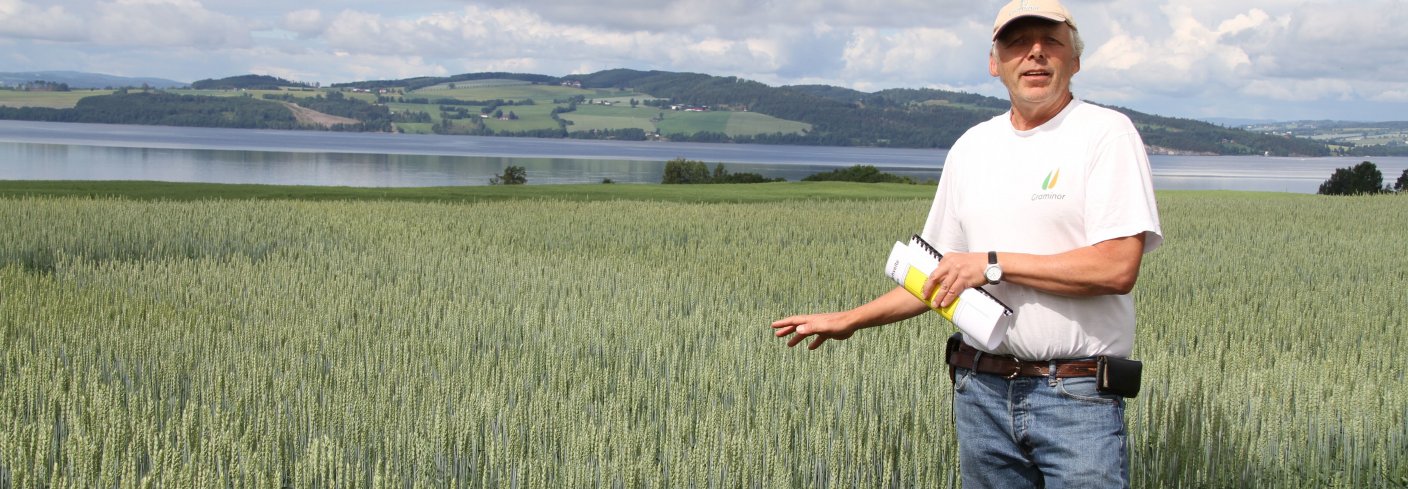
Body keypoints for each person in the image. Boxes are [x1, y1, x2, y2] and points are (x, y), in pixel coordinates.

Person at [770, 0, 1163, 486]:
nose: (1035, 54)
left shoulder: (1106, 133)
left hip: (1075, 397)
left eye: (1051, 42)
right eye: (1018, 43)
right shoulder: (972, 148)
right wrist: (848, 319)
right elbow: (937, 279)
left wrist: (992, 264)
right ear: (994, 64)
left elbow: (1116, 268)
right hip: (981, 393)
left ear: (1075, 60)